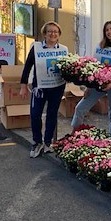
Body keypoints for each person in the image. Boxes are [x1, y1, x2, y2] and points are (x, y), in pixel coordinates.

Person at [19, 21, 68, 158]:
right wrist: (23, 85)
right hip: (39, 88)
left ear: (59, 35)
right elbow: (27, 66)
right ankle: (37, 142)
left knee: (52, 115)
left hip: (57, 87)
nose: (52, 34)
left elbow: (68, 68)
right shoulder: (36, 48)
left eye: (55, 32)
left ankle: (47, 143)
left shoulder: (63, 49)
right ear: (44, 34)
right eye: (49, 31)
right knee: (35, 115)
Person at [71, 21, 111, 136]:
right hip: (98, 84)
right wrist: (88, 87)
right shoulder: (100, 47)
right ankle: (74, 133)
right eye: (107, 30)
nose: (109, 32)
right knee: (80, 108)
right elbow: (93, 67)